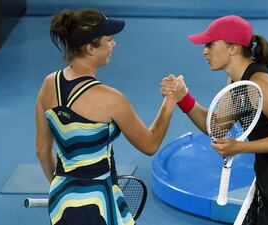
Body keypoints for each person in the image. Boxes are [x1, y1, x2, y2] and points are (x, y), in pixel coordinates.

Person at [161, 15, 268, 225]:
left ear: (233, 48)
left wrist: (239, 148)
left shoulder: (261, 84)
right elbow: (215, 126)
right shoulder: (237, 83)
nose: (204, 51)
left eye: (210, 44)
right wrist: (184, 98)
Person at [35, 8, 178, 225]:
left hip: (61, 200)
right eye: (109, 39)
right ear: (90, 48)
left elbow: (42, 151)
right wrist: (170, 102)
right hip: (100, 205)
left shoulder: (48, 84)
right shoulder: (111, 99)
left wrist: (62, 188)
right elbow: (150, 144)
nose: (114, 44)